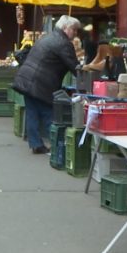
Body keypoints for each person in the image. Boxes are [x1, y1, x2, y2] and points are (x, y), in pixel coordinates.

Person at [12, 15, 82, 154]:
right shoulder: (63, 43)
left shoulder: (47, 37)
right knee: (49, 114)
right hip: (41, 84)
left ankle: (36, 144)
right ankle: (58, 147)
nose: (75, 33)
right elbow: (75, 67)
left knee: (32, 112)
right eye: (74, 30)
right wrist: (84, 78)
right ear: (66, 28)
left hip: (27, 80)